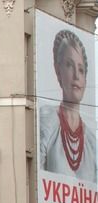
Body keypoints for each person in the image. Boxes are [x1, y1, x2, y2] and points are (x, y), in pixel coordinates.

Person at [39, 29, 97, 183]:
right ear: (58, 71)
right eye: (69, 65)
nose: (77, 76)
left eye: (81, 70)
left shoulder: (92, 140)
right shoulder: (46, 121)